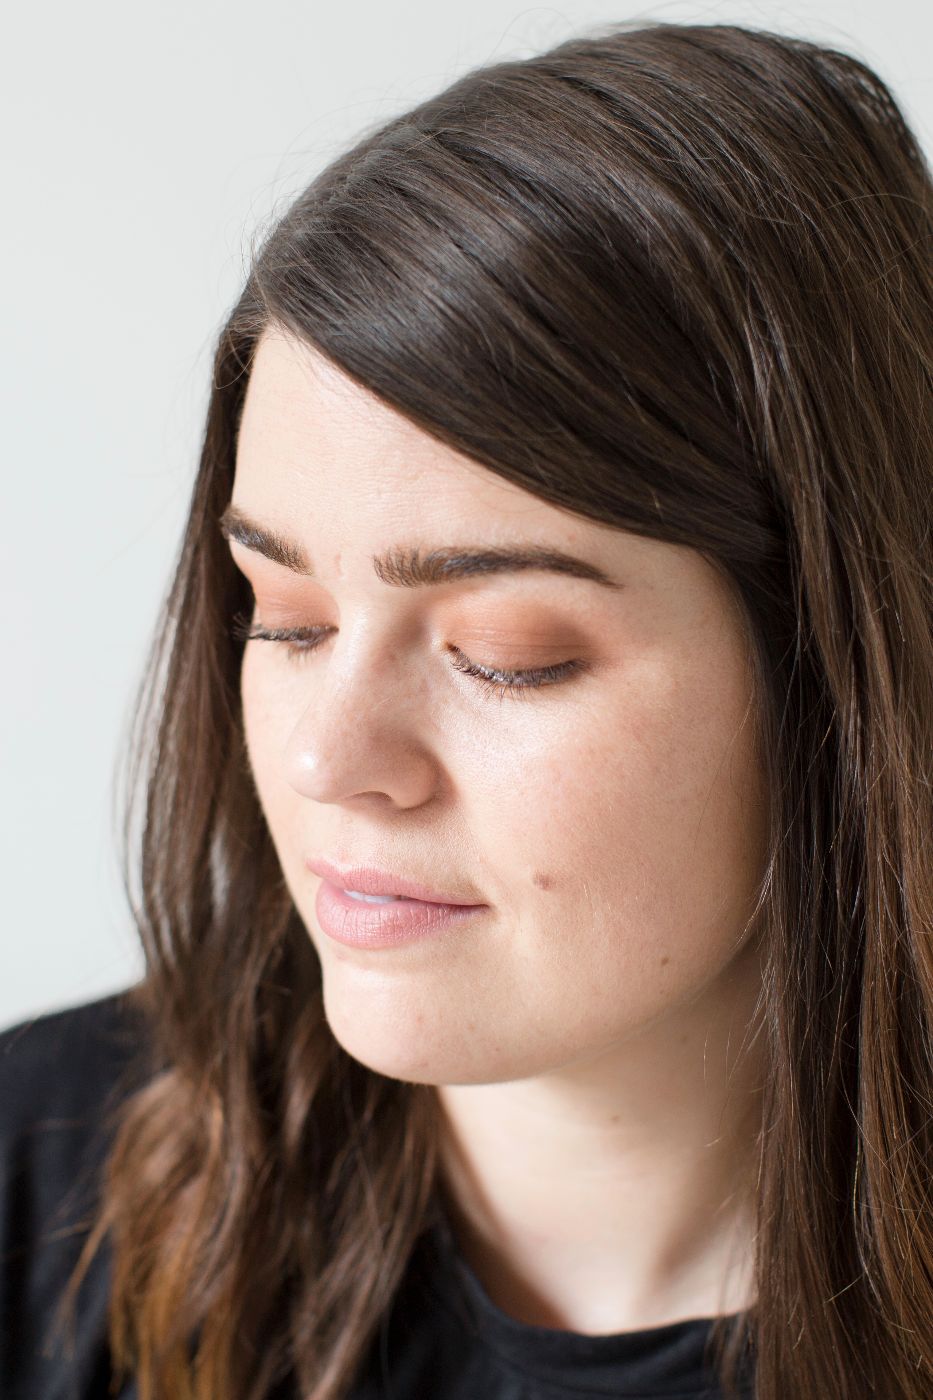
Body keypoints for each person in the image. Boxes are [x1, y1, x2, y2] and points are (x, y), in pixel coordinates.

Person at [2, 17, 931, 1400]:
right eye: (285, 618)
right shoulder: (37, 1173)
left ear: (844, 672)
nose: (324, 757)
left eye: (505, 654)